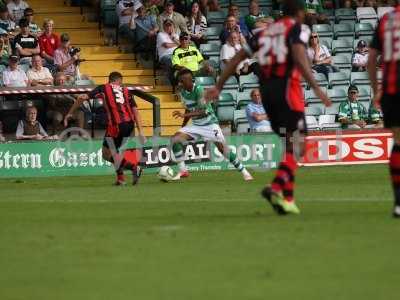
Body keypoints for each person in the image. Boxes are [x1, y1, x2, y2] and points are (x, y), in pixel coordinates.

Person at [205, 0, 331, 215]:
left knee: (288, 145)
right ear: (299, 13)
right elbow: (299, 54)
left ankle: (287, 199)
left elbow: (238, 57)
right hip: (286, 88)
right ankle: (275, 187)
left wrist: (218, 85)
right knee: (299, 145)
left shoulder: (263, 33)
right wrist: (316, 86)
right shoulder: (297, 27)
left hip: (266, 90)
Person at [64, 71, 146, 186]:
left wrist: (70, 113)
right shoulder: (126, 91)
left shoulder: (103, 88)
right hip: (129, 125)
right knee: (113, 151)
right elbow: (136, 112)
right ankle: (121, 178)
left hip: (117, 125)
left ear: (109, 80)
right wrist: (141, 131)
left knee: (106, 154)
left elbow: (82, 97)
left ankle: (134, 168)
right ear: (119, 81)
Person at [171, 68, 253, 180]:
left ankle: (244, 171)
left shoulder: (199, 90)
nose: (180, 83)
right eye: (180, 80)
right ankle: (183, 171)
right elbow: (188, 109)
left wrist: (184, 116)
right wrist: (183, 126)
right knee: (175, 139)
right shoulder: (183, 92)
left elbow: (203, 111)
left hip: (210, 124)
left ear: (190, 80)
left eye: (182, 81)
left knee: (223, 150)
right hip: (196, 125)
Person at [368, 1, 400, 217]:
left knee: (398, 141)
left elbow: (371, 59)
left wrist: (376, 89)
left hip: (391, 89)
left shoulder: (386, 20)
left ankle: (398, 202)